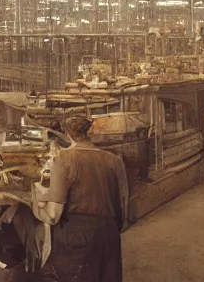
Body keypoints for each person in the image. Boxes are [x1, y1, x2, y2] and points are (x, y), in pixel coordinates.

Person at [35, 115, 129, 282]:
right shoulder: (114, 160)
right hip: (109, 234)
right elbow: (123, 207)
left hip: (78, 237)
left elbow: (53, 215)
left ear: (67, 135)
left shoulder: (63, 159)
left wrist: (36, 205)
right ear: (88, 132)